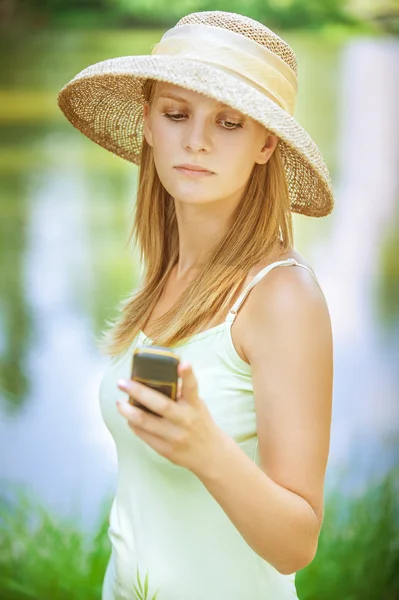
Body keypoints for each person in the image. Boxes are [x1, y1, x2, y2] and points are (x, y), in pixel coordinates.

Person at [58, 10, 334, 600]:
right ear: (148, 123)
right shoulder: (167, 277)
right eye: (176, 114)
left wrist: (208, 450)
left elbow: (297, 545)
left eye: (229, 122)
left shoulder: (282, 297)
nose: (196, 140)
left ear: (266, 143)